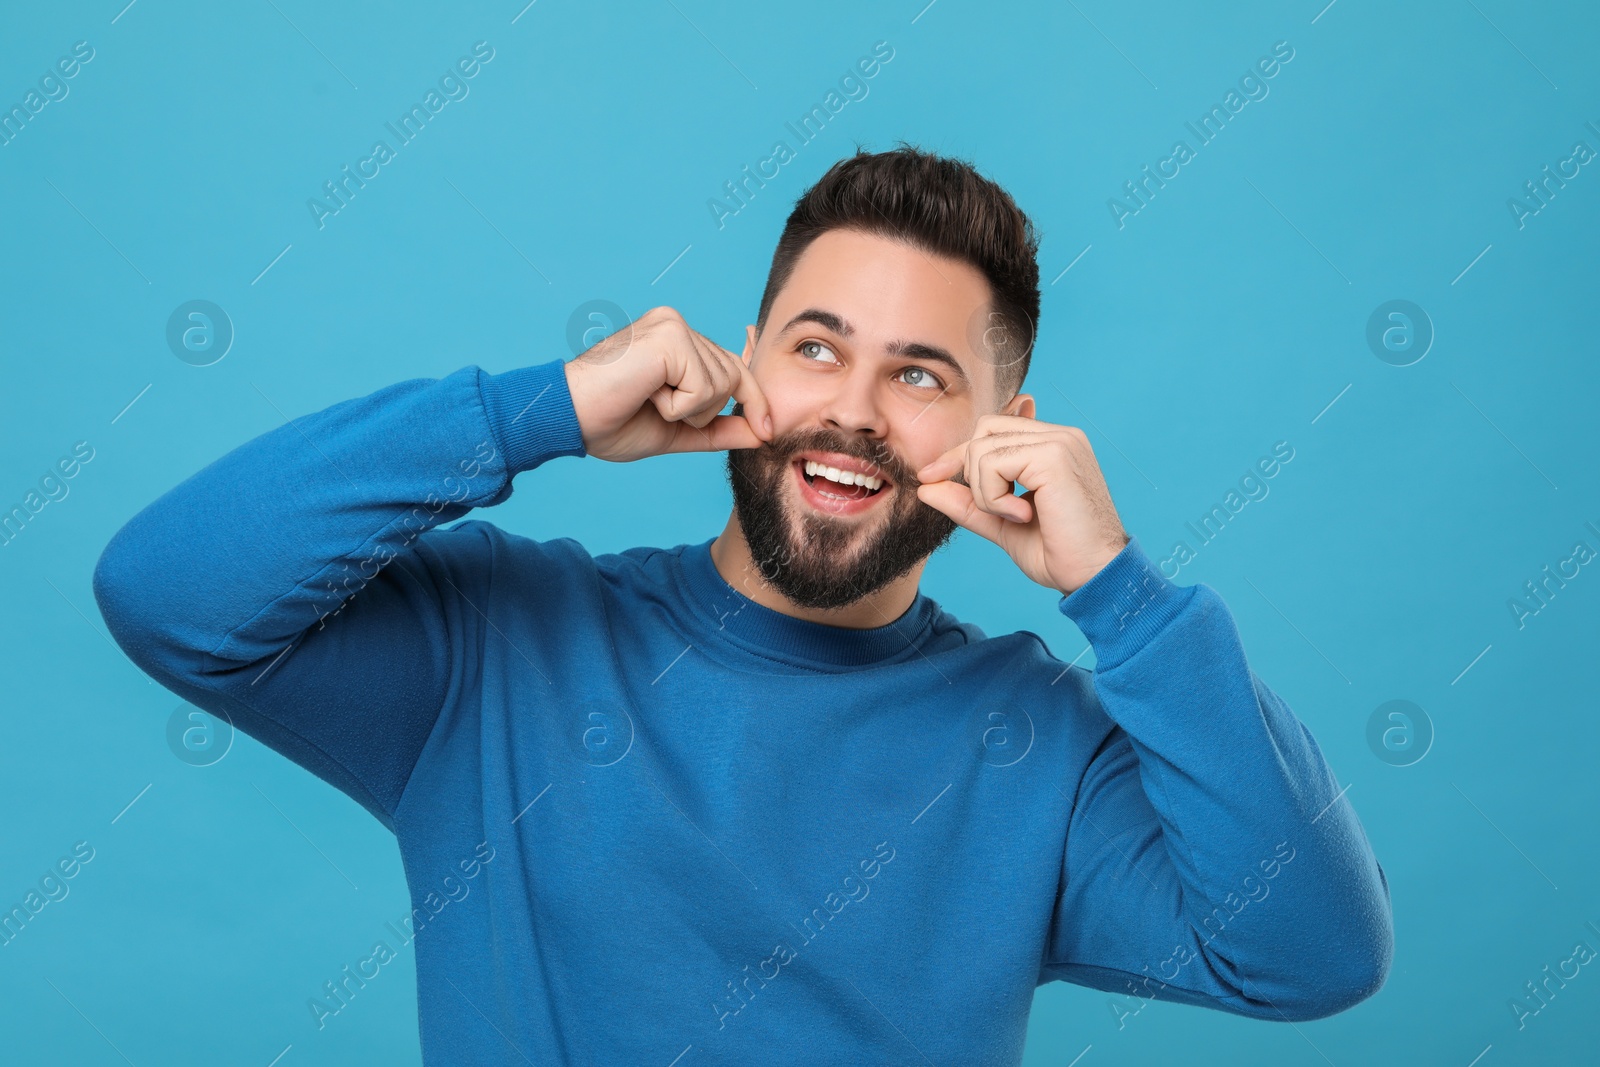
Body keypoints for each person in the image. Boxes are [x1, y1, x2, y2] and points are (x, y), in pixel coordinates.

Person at [93, 144, 1392, 1064]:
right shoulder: (498, 649)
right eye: (817, 347)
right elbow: (170, 591)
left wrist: (1121, 593)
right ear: (746, 368)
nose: (853, 410)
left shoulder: (1043, 747)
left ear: (1009, 435)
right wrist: (533, 410)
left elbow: (1312, 950)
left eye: (922, 375)